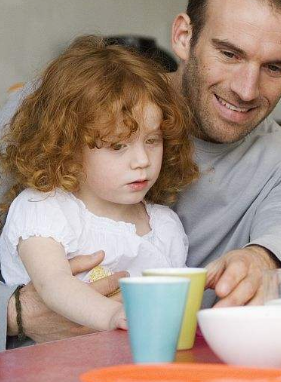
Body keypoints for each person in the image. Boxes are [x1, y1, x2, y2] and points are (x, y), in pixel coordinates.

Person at [1, 0, 281, 349]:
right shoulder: (62, 106)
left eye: (275, 67)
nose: (246, 89)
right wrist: (14, 315)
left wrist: (260, 260)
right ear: (183, 35)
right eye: (229, 54)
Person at [0, 36, 198, 332]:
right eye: (118, 146)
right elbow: (53, 284)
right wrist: (112, 317)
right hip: (48, 368)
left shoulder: (164, 226)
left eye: (152, 141)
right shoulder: (44, 210)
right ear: (68, 148)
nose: (142, 160)